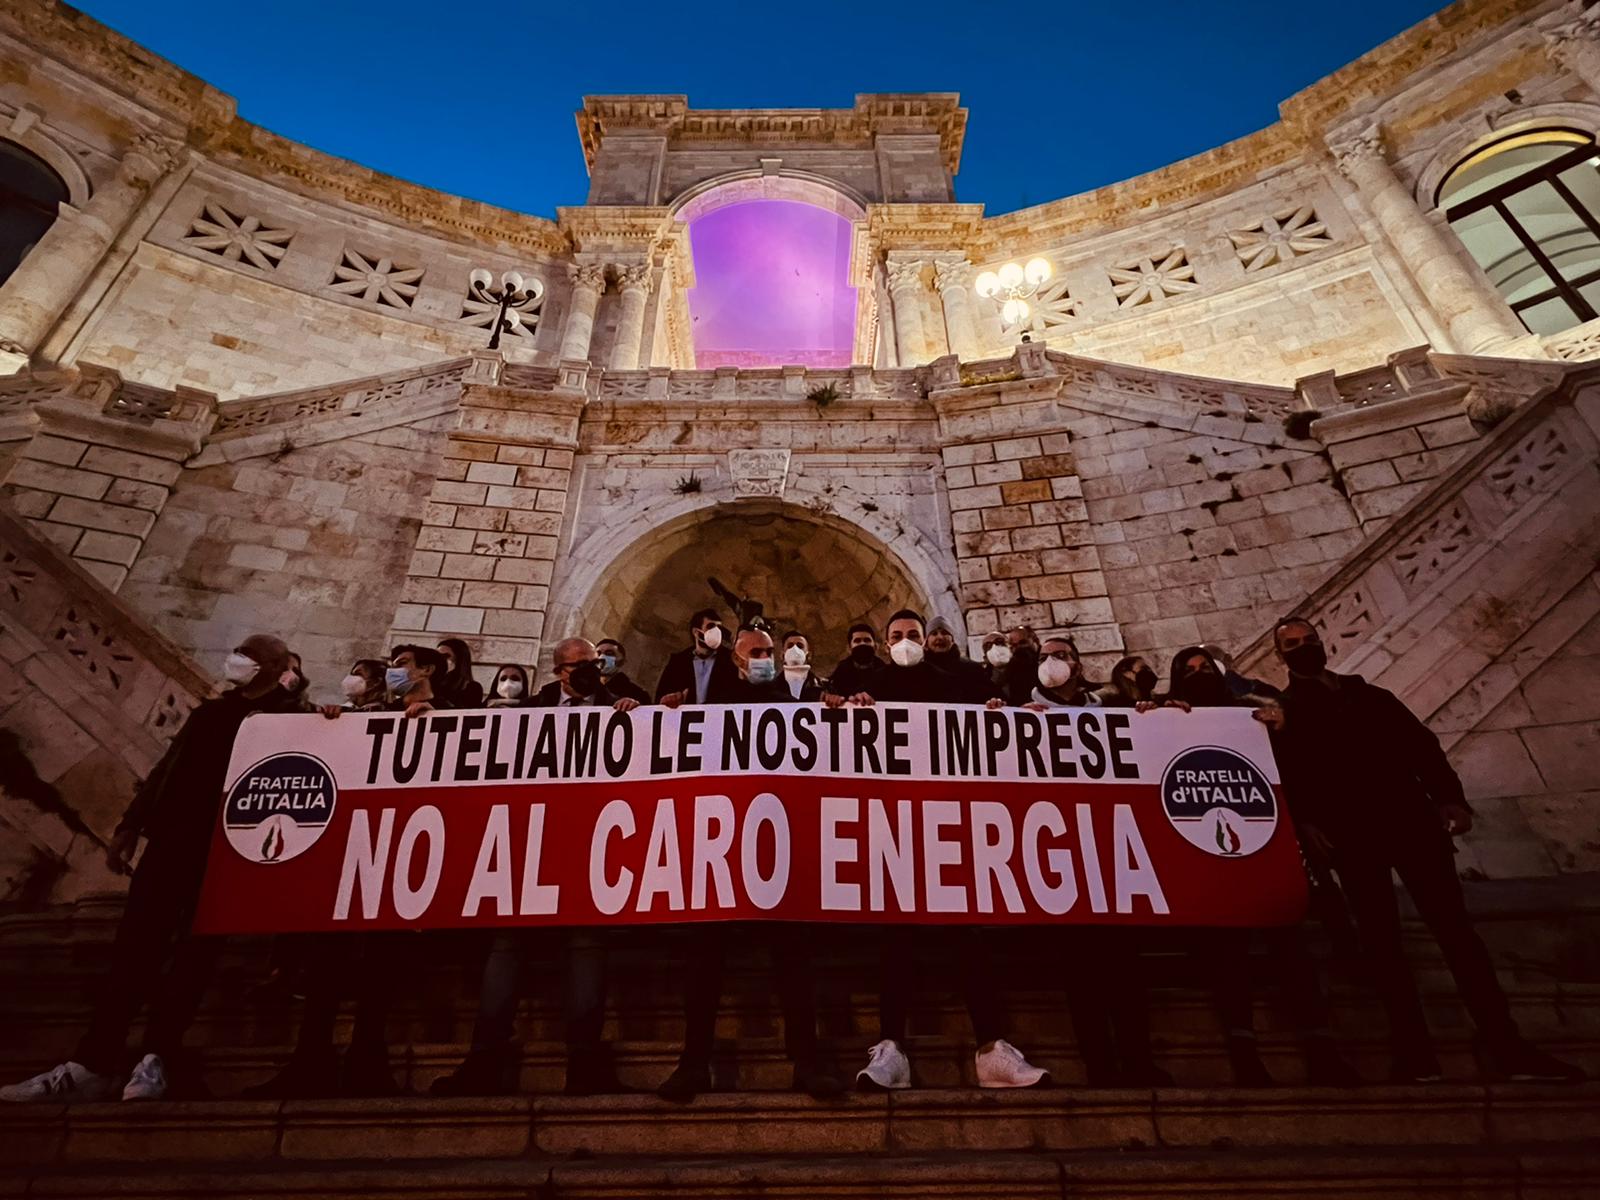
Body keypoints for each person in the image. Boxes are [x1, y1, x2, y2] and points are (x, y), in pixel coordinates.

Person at [1271, 618, 1585, 1084]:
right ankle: (1414, 1052)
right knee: (1382, 943)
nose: (1303, 647)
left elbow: (1420, 746)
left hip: (1411, 821)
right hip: (1350, 835)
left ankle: (1506, 1043)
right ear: (1281, 656)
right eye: (1292, 644)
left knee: (1458, 935)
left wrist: (1449, 797)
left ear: (1322, 642)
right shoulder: (1286, 711)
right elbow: (1287, 772)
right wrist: (1305, 822)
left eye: (1309, 640)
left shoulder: (1370, 696)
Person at [2, 635, 298, 1104]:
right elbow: (168, 770)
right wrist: (130, 825)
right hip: (172, 844)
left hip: (226, 851)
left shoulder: (289, 719)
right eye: (238, 650)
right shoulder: (211, 713)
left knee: (194, 957)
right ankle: (93, 1060)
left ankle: (158, 1055)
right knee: (134, 949)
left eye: (250, 655)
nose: (237, 658)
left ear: (273, 667)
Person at [827, 610, 1043, 1092]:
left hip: (949, 829)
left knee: (968, 937)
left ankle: (992, 1050)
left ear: (925, 640)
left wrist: (1002, 712)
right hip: (891, 830)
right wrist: (847, 707)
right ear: (886, 643)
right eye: (897, 635)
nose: (905, 641)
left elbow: (991, 723)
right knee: (895, 939)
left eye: (913, 635)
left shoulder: (955, 682)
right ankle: (891, 1048)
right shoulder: (870, 687)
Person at [433, 638, 639, 1097]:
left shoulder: (622, 708)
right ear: (559, 670)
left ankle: (583, 1061)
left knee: (587, 946)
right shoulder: (528, 711)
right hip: (529, 844)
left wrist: (638, 715)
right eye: (579, 664)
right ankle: (485, 1058)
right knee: (507, 945)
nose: (590, 669)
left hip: (591, 844)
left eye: (594, 662)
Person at [658, 626, 843, 1102]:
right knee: (704, 964)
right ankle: (693, 1064)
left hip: (780, 852)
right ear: (737, 660)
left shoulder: (795, 703)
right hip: (720, 852)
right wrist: (666, 715)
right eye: (754, 652)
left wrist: (840, 710)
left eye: (767, 651)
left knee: (794, 962)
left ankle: (806, 1061)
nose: (764, 657)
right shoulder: (711, 705)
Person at [1165, 644, 1358, 1087]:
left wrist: (1283, 728)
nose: (1198, 674)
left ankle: (1321, 1048)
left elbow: (1302, 765)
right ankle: (1245, 1053)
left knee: (1292, 951)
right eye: (1188, 670)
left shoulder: (1256, 711)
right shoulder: (1170, 716)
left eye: (1204, 667)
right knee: (1227, 957)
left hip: (1267, 850)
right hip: (1206, 859)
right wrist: (1155, 719)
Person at [656, 609, 739, 706]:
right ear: (696, 632)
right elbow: (661, 696)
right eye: (711, 626)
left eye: (719, 627)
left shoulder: (730, 659)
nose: (716, 632)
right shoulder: (678, 662)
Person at [921, 616, 997, 704]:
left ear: (952, 640)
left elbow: (990, 697)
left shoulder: (973, 669)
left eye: (945, 633)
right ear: (926, 641)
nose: (940, 637)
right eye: (934, 633)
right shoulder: (920, 672)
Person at [1025, 635, 1101, 709]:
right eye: (1043, 658)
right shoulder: (1030, 708)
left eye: (1060, 655)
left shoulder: (1100, 706)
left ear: (1078, 668)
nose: (1049, 662)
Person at [825, 622, 885, 699]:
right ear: (849, 648)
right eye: (857, 641)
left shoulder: (884, 672)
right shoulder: (840, 673)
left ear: (875, 646)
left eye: (867, 640)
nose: (862, 643)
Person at [595, 637, 650, 704]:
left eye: (609, 653)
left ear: (622, 661)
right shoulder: (589, 690)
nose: (601, 657)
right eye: (598, 654)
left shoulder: (638, 694)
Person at [435, 637, 485, 708]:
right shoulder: (431, 682)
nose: (440, 659)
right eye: (437, 656)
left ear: (459, 659)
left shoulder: (473, 688)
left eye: (446, 656)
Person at [777, 630, 824, 701]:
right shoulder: (771, 688)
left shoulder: (823, 688)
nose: (795, 649)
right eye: (790, 646)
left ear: (808, 656)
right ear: (782, 655)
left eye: (800, 646)